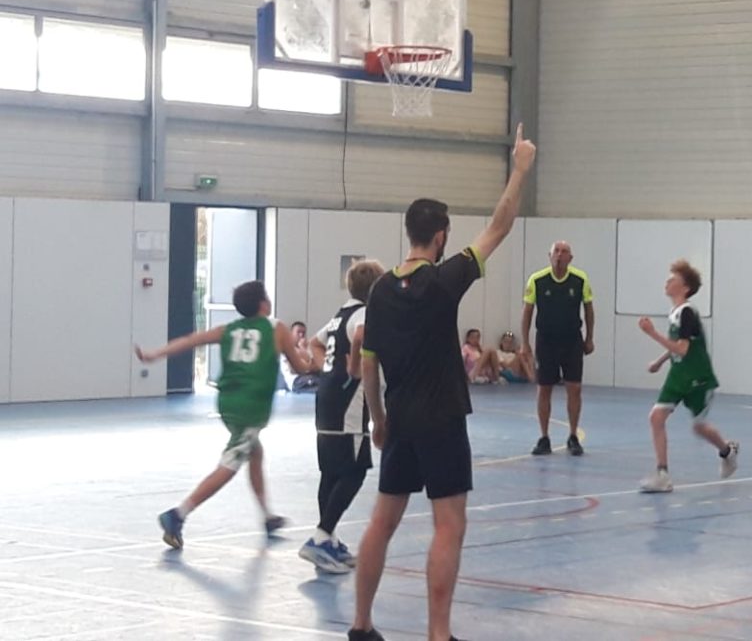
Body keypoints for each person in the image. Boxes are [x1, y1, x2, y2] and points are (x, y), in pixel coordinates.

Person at [347, 125, 536, 641]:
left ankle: (361, 625)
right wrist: (519, 169)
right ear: (441, 236)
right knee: (449, 524)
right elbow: (499, 226)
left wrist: (378, 420)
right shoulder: (445, 278)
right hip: (443, 419)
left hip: (401, 420)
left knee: (381, 522)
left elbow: (369, 366)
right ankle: (438, 633)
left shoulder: (380, 290)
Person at [135, 280, 317, 549]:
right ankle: (178, 514)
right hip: (251, 406)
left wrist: (154, 354)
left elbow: (191, 341)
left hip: (228, 403)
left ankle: (267, 516)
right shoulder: (277, 328)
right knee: (230, 463)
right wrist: (313, 359)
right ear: (264, 304)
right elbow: (300, 368)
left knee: (255, 452)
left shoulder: (229, 330)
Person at [300, 258, 385, 573]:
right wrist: (353, 368)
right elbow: (361, 336)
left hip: (326, 396)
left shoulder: (340, 316)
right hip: (348, 402)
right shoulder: (364, 314)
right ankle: (321, 537)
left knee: (331, 472)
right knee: (355, 470)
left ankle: (329, 539)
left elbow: (314, 342)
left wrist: (326, 368)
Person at [636, 260, 739, 494]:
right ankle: (662, 475)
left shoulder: (687, 313)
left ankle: (727, 451)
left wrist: (652, 333)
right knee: (656, 417)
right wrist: (660, 361)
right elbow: (678, 345)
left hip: (697, 376)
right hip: (678, 374)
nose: (667, 281)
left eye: (673, 279)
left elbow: (682, 349)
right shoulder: (675, 313)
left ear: (685, 287)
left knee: (699, 427)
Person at [521, 241, 596, 456]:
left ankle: (573, 436)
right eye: (556, 251)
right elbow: (527, 312)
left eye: (564, 252)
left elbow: (589, 310)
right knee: (544, 388)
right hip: (546, 342)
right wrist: (525, 343)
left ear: (570, 258)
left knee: (574, 388)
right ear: (550, 255)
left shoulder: (580, 279)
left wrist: (589, 338)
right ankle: (544, 437)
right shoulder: (537, 280)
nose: (560, 255)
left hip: (572, 341)